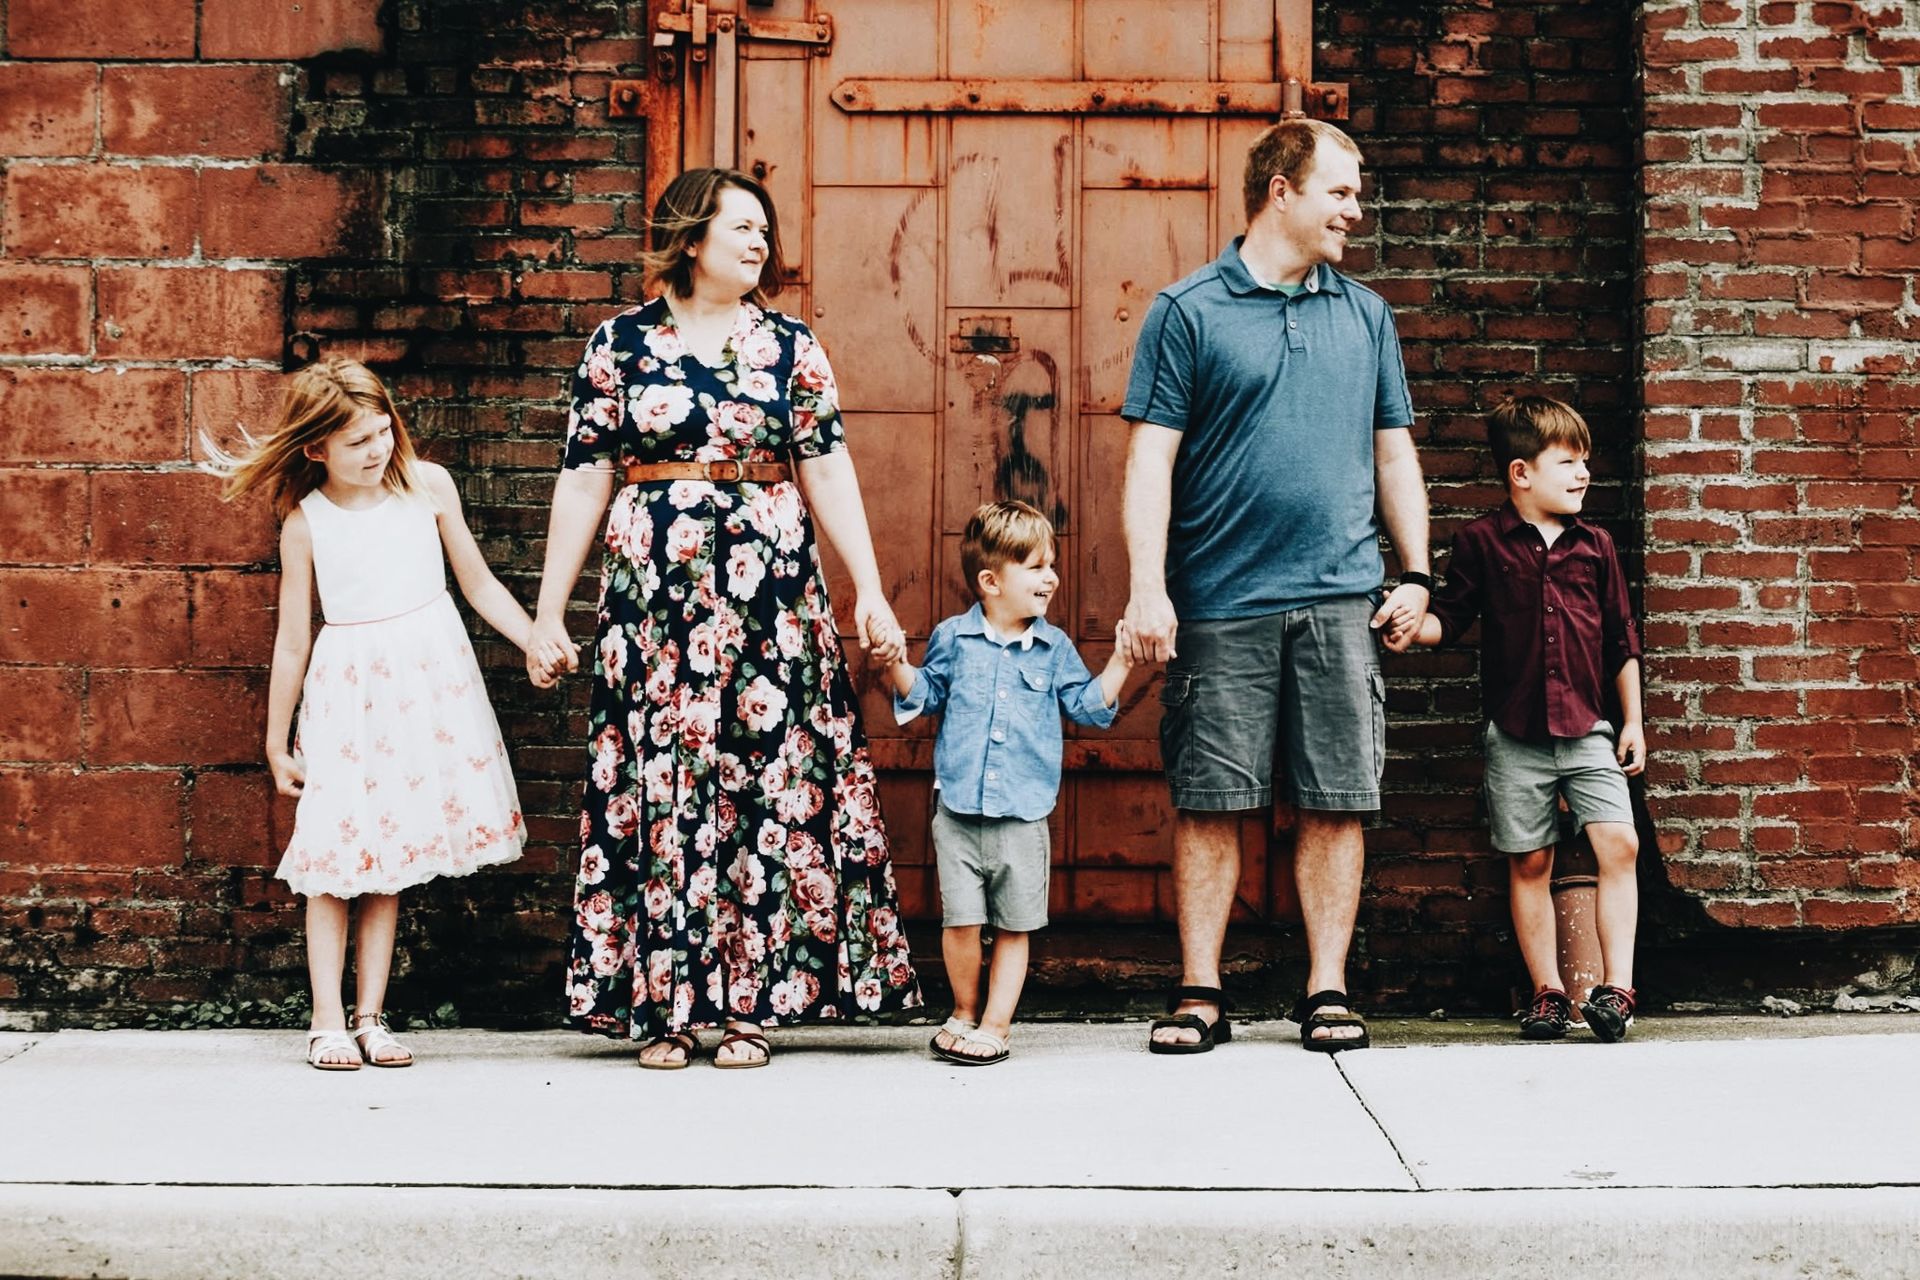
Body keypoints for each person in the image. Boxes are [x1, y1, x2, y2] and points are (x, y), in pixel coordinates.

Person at [529, 167, 921, 1071]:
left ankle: (748, 1003)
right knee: (662, 781)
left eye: (763, 230)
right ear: (690, 236)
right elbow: (585, 476)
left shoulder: (791, 347)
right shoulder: (619, 345)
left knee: (765, 783)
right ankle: (666, 1005)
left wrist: (868, 589)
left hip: (770, 599)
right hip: (653, 602)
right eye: (741, 226)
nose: (759, 242)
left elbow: (827, 469)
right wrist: (551, 609)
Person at [1119, 119, 1431, 1055]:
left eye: (1358, 191)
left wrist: (1415, 573)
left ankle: (1325, 991)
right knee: (1213, 799)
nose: (1356, 209)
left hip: (1341, 596)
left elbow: (1394, 454)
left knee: (1338, 797)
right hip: (1221, 599)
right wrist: (1148, 587)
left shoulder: (1364, 314)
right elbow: (1150, 463)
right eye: (1340, 191)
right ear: (1281, 192)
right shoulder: (1189, 311)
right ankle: (1200, 991)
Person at [209, 357, 561, 1070]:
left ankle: (371, 1016)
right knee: (335, 854)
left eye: (381, 432)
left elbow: (478, 582)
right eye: (356, 442)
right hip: (351, 694)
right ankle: (326, 1020)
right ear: (315, 449)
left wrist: (533, 639)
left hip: (425, 689)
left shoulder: (428, 487)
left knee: (388, 855)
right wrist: (277, 743)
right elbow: (291, 641)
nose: (376, 451)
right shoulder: (306, 524)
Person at [1381, 395, 1645, 1041]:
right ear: (1521, 473)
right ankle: (1548, 993)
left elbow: (1621, 638)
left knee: (1620, 843)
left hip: (1588, 726)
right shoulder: (1481, 542)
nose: (1584, 473)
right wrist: (1412, 627)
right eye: (1568, 462)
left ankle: (1617, 990)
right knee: (1529, 862)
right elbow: (1454, 620)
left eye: (1585, 462)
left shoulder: (1596, 546)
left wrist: (1632, 721)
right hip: (1516, 731)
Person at [885, 502, 1136, 1066]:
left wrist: (1121, 660)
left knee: (1016, 924)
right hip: (957, 813)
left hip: (1022, 816)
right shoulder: (954, 638)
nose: (1051, 576)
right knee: (961, 921)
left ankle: (997, 1025)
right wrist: (893, 663)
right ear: (991, 582)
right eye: (1036, 566)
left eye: (1053, 564)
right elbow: (922, 695)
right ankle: (964, 1011)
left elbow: (1088, 709)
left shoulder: (1056, 648)